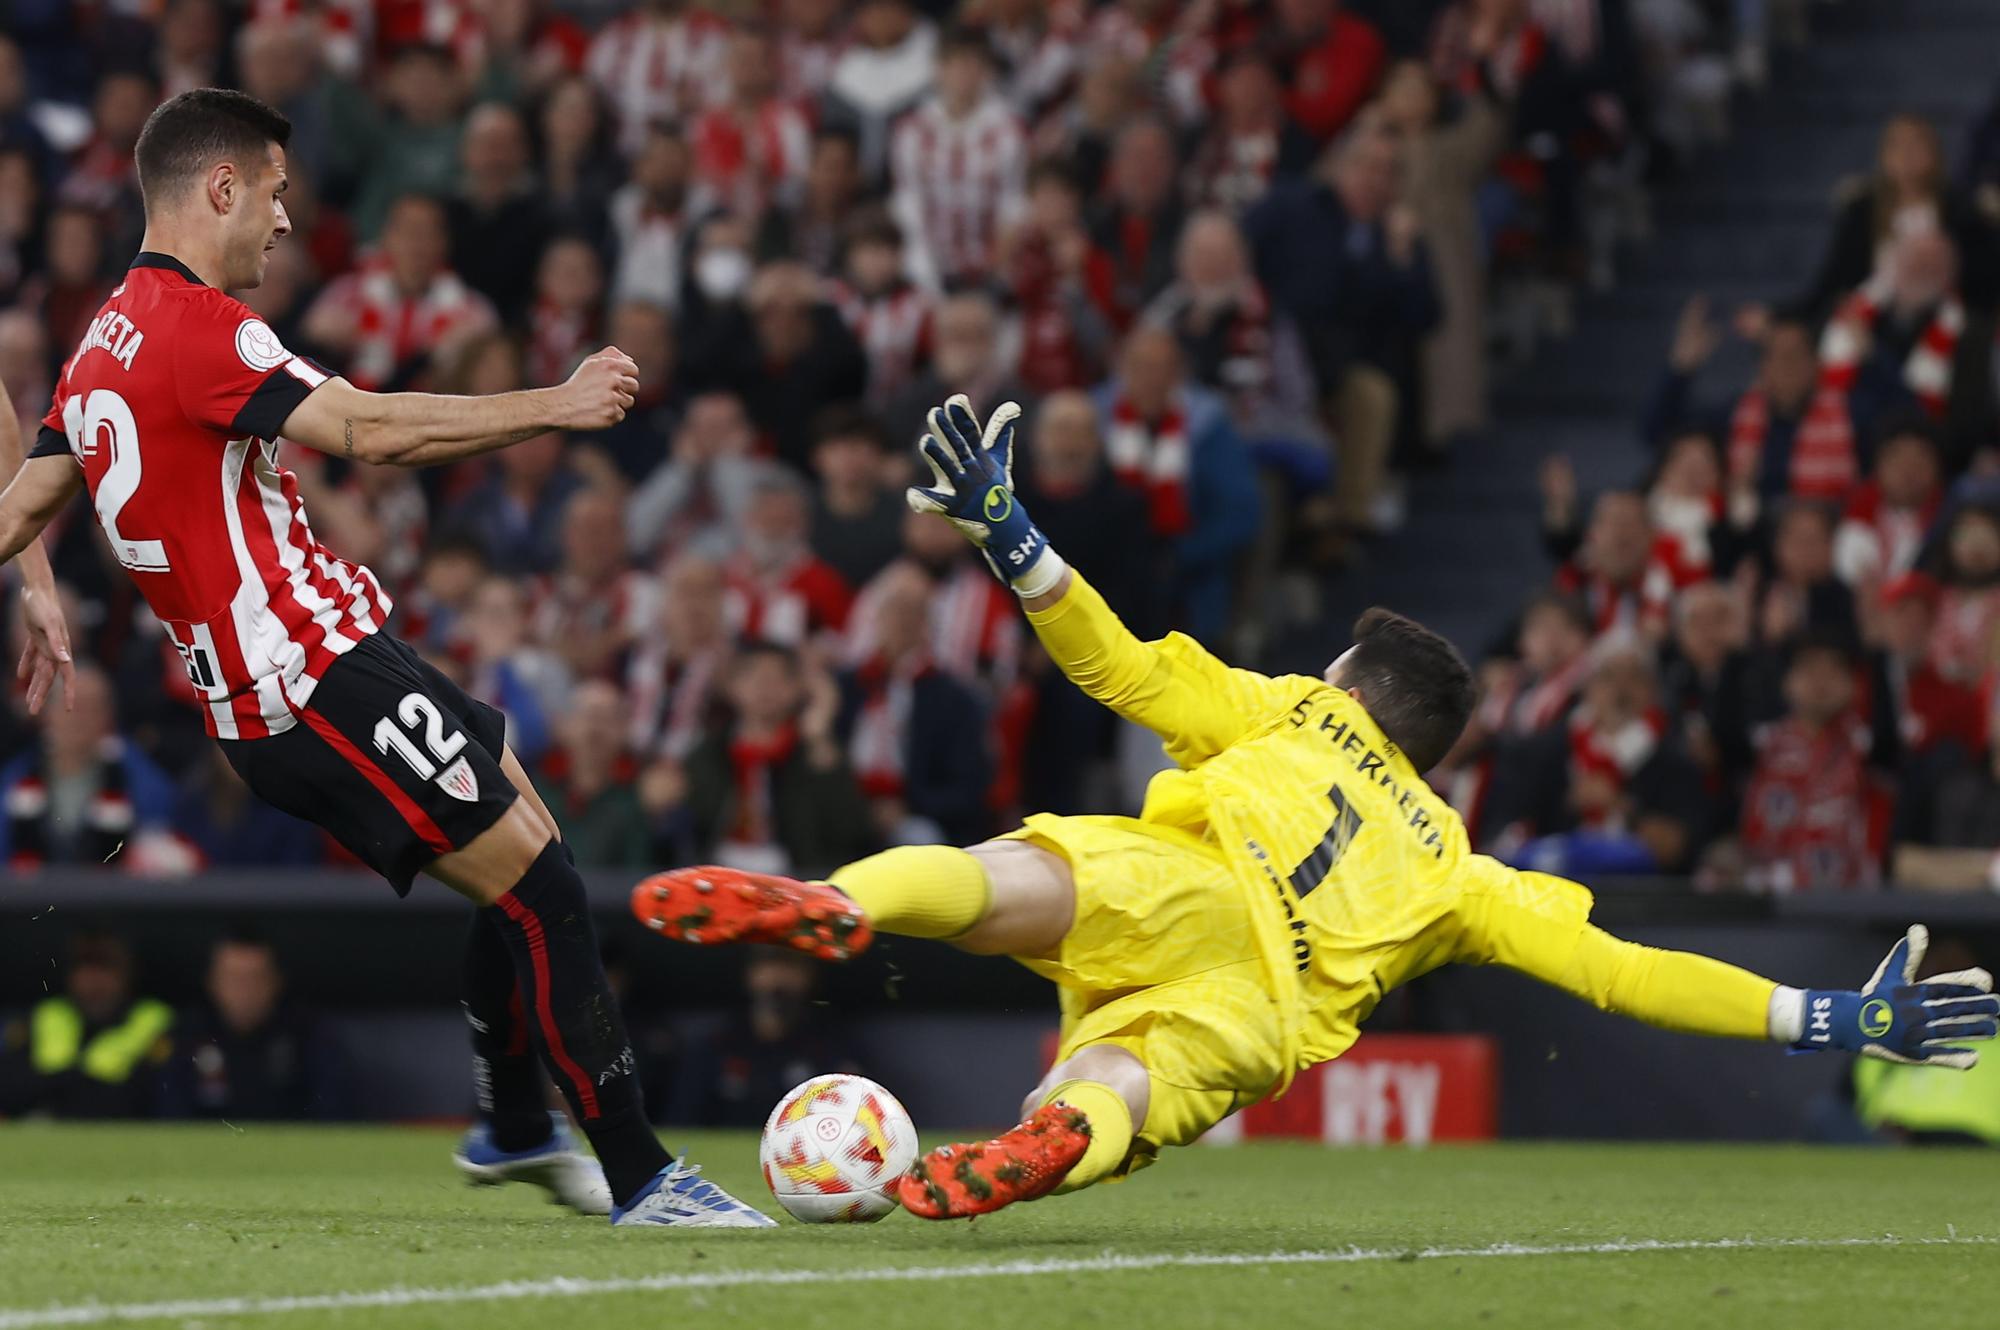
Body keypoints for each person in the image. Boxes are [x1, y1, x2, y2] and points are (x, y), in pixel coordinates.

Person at [634, 395, 2000, 1219]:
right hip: (1266, 994)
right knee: (1112, 1085)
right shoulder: (1459, 868)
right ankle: (1055, 1131)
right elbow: (1625, 968)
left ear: (1353, 685)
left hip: (1176, 871)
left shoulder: (1296, 709)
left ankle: (838, 900)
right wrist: (1827, 1014)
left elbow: (1107, 658)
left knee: (1006, 879)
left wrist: (1012, 532)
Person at [0, 90, 768, 1226]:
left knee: (529, 846)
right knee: (542, 890)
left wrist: (38, 589)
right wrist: (553, 402)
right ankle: (643, 1175)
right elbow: (370, 431)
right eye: (272, 190)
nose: (282, 219)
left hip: (322, 659)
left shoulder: (105, 336)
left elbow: (24, 504)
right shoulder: (201, 328)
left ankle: (513, 1124)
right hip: (305, 679)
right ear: (219, 187)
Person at [157, 931, 353, 1120]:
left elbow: (333, 1111)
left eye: (254, 978)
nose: (244, 991)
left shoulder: (307, 1034)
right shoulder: (186, 1035)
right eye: (233, 979)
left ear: (276, 982)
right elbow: (167, 1113)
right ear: (212, 982)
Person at [0, 932, 172, 1119]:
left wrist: (69, 1087)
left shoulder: (155, 1020)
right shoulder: (43, 1015)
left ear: (127, 972)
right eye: (84, 966)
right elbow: (10, 1087)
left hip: (121, 1130)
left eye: (105, 966)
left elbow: (162, 1095)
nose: (94, 979)